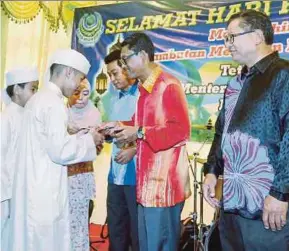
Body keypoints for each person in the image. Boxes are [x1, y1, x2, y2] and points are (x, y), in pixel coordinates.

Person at [202, 10, 289, 251]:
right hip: (230, 205)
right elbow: (222, 132)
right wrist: (211, 170)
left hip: (268, 208)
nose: (227, 45)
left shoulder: (283, 75)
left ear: (257, 37)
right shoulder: (234, 84)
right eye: (225, 39)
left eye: (232, 37)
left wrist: (281, 193)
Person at [102, 32, 191, 251]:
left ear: (142, 55)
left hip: (163, 188)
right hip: (145, 187)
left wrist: (138, 132)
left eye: (125, 60)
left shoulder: (168, 85)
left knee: (160, 245)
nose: (123, 66)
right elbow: (138, 124)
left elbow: (180, 131)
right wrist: (114, 127)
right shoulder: (145, 90)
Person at [9, 49, 104, 251]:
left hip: (34, 186)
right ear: (68, 72)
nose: (79, 85)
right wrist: (90, 140)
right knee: (45, 242)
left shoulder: (39, 99)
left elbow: (48, 143)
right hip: (44, 190)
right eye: (79, 78)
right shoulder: (53, 103)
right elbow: (60, 151)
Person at [104, 49, 139, 251]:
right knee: (116, 229)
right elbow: (116, 133)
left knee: (136, 231)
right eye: (109, 75)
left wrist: (134, 149)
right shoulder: (114, 99)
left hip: (135, 177)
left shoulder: (144, 96)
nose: (112, 79)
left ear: (126, 67)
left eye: (115, 73)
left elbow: (150, 132)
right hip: (115, 174)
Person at [1, 67, 39, 251]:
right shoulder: (5, 119)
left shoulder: (28, 116)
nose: (35, 94)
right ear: (17, 89)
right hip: (6, 195)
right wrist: (7, 194)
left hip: (23, 192)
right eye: (33, 89)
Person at [67, 78, 102, 251]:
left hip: (82, 176)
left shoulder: (94, 114)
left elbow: (98, 149)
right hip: (62, 177)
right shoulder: (59, 111)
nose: (81, 98)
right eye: (76, 93)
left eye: (85, 93)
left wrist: (87, 139)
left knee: (80, 221)